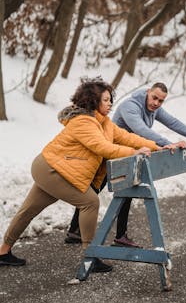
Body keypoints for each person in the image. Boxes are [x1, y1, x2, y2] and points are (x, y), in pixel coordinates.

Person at [0, 77, 163, 272]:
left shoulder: (105, 123)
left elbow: (127, 137)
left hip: (59, 170)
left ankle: (3, 252)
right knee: (90, 202)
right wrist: (133, 153)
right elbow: (103, 147)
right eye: (105, 100)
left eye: (110, 99)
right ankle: (90, 256)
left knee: (28, 210)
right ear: (93, 101)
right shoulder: (83, 122)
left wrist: (158, 146)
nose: (110, 103)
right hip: (50, 169)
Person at [65, 82, 186, 247]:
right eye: (154, 97)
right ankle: (78, 232)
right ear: (148, 92)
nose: (156, 103)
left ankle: (110, 235)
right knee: (97, 190)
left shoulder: (153, 108)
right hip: (112, 154)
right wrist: (166, 144)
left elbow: (173, 122)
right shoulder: (130, 106)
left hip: (129, 155)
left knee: (122, 192)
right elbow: (142, 130)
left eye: (160, 101)